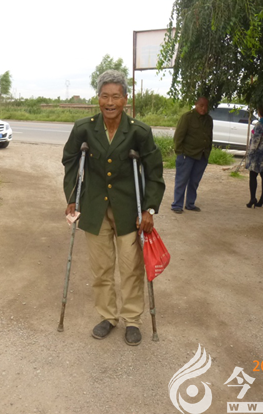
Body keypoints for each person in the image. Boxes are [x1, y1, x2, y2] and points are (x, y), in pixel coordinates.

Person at [62, 70, 165, 346]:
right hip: (94, 207)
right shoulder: (84, 128)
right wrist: (72, 196)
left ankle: (132, 320)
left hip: (129, 209)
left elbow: (154, 171)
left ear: (125, 99)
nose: (110, 102)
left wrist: (149, 209)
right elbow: (70, 160)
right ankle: (107, 316)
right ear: (98, 98)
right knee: (101, 268)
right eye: (105, 96)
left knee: (131, 268)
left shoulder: (139, 131)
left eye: (116, 97)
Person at [171, 97, 213, 213]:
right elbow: (178, 136)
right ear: (196, 105)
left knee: (194, 181)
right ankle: (177, 205)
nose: (204, 109)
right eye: (201, 106)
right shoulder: (187, 117)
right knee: (182, 180)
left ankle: (190, 204)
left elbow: (209, 136)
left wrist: (208, 151)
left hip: (202, 155)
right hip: (187, 155)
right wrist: (180, 153)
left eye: (206, 106)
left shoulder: (208, 120)